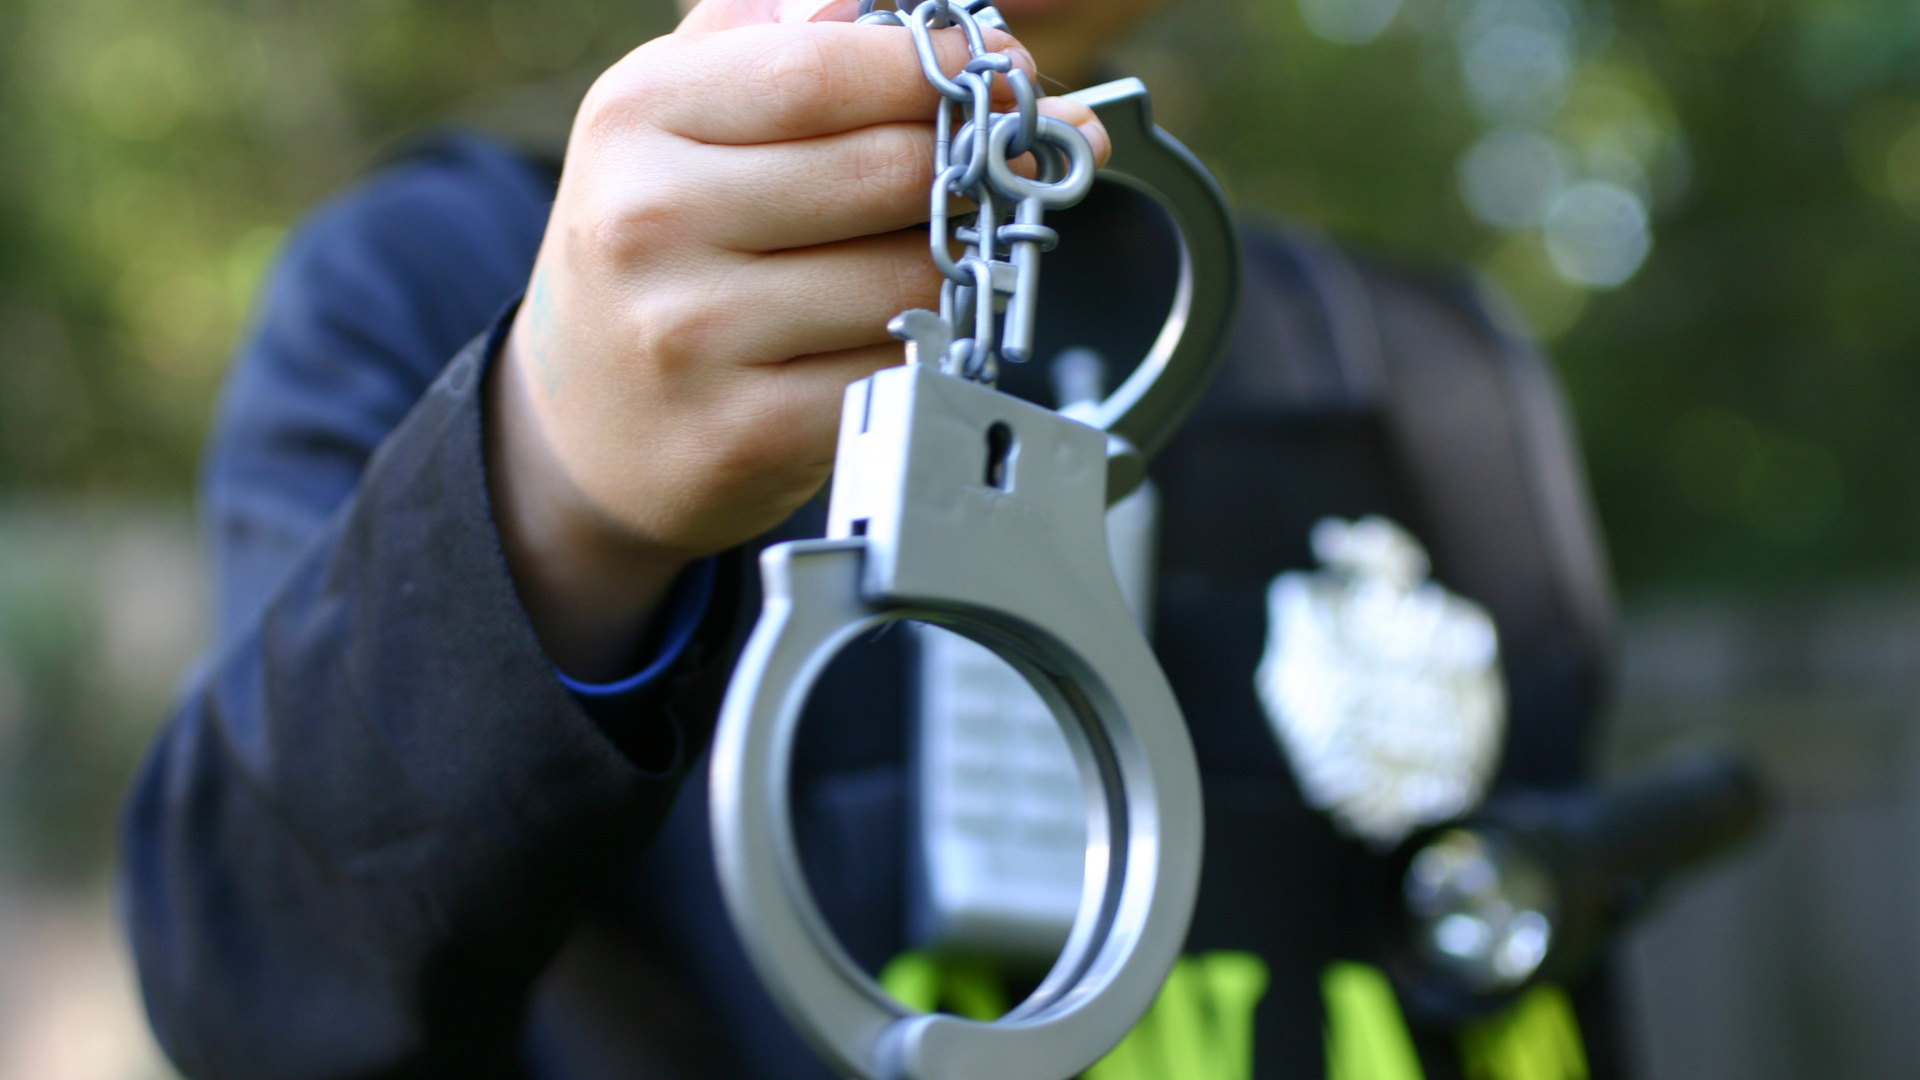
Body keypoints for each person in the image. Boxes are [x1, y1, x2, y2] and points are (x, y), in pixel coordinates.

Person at [119, 0, 1619, 1076]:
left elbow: (1551, 976)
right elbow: (255, 984)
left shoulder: (1433, 373)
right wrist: (545, 482)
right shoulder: (437, 281)